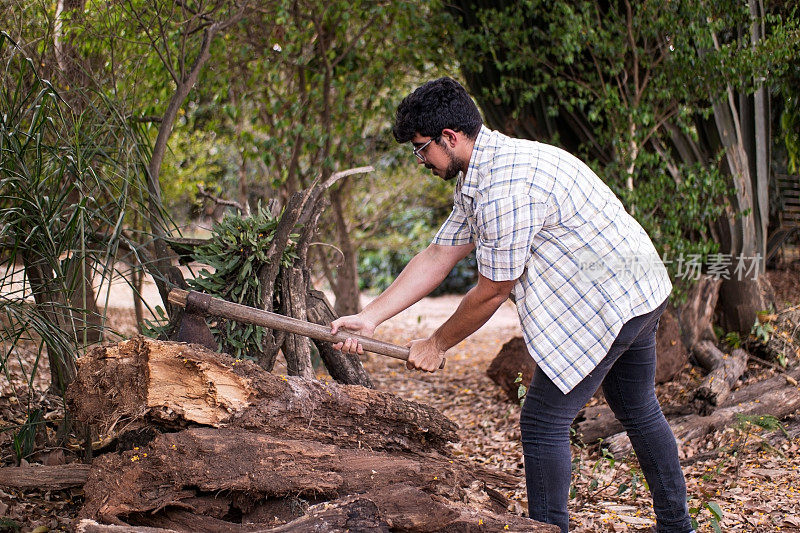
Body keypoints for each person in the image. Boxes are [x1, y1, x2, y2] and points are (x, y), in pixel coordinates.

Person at [330, 77, 693, 533]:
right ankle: (678, 527)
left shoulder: (503, 186)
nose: (420, 159)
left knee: (543, 423)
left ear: (450, 137)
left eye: (421, 149)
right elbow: (438, 254)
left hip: (613, 302)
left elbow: (492, 291)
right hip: (639, 290)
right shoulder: (482, 171)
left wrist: (437, 343)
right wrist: (370, 318)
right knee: (638, 409)